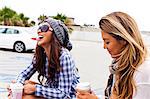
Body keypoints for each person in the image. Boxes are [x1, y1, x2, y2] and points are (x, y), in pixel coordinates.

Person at [76, 11, 150, 99]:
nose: (104, 47)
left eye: (107, 42)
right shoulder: (119, 66)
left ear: (123, 40)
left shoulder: (143, 72)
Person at [9, 18, 80, 98]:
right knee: (21, 86)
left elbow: (63, 94)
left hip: (67, 96)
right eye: (39, 27)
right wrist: (18, 85)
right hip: (50, 90)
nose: (39, 31)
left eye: (44, 28)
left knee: (25, 96)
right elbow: (24, 74)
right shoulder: (42, 54)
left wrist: (35, 89)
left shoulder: (64, 56)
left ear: (55, 34)